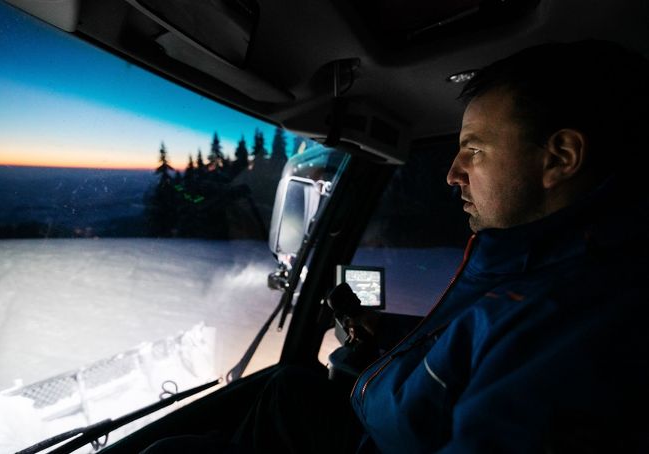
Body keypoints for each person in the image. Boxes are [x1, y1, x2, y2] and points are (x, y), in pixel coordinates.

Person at [143, 40, 648, 453]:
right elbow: (471, 348)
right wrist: (382, 332)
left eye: (474, 149)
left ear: (559, 157)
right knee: (287, 387)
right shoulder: (534, 266)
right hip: (376, 428)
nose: (453, 174)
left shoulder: (575, 318)